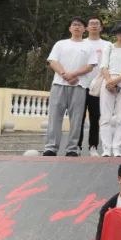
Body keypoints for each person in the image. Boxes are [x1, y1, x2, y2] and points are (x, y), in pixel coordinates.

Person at [43, 17, 99, 157]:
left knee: (77, 118)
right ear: (70, 28)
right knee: (55, 117)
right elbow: (52, 61)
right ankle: (51, 147)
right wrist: (64, 74)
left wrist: (73, 75)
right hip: (59, 84)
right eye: (74, 25)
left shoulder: (89, 47)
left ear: (84, 29)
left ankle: (72, 148)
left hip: (79, 85)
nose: (77, 27)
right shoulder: (61, 44)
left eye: (80, 25)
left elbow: (90, 66)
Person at [98, 22, 121, 158]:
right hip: (107, 80)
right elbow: (104, 66)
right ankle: (106, 148)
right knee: (105, 117)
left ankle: (117, 148)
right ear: (116, 33)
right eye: (120, 31)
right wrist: (109, 81)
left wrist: (116, 81)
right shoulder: (109, 47)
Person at [79, 16, 106, 157]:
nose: (94, 25)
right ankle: (76, 146)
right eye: (91, 23)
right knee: (79, 117)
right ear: (86, 28)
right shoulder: (81, 43)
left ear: (101, 27)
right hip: (81, 85)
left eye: (97, 23)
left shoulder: (107, 45)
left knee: (95, 118)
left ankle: (93, 146)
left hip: (98, 87)